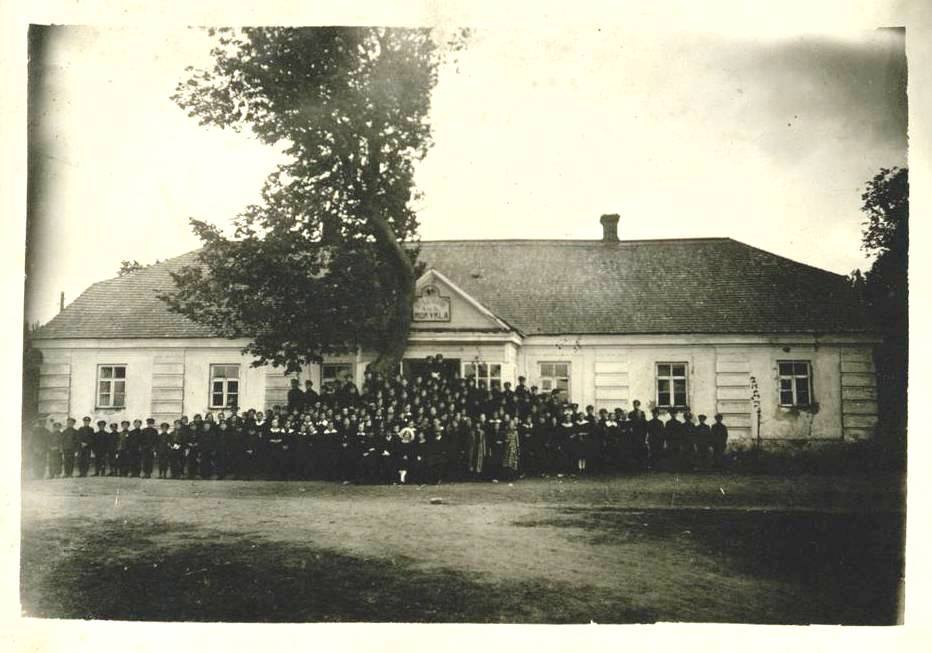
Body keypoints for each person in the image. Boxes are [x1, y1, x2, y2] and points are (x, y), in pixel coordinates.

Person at [501, 416, 520, 481]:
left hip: (513, 450)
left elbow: (517, 442)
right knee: (507, 463)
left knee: (513, 463)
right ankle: (507, 477)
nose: (511, 425)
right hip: (507, 449)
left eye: (512, 424)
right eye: (510, 424)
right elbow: (504, 440)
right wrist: (505, 441)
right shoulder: (506, 432)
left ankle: (513, 477)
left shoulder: (515, 432)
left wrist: (517, 450)